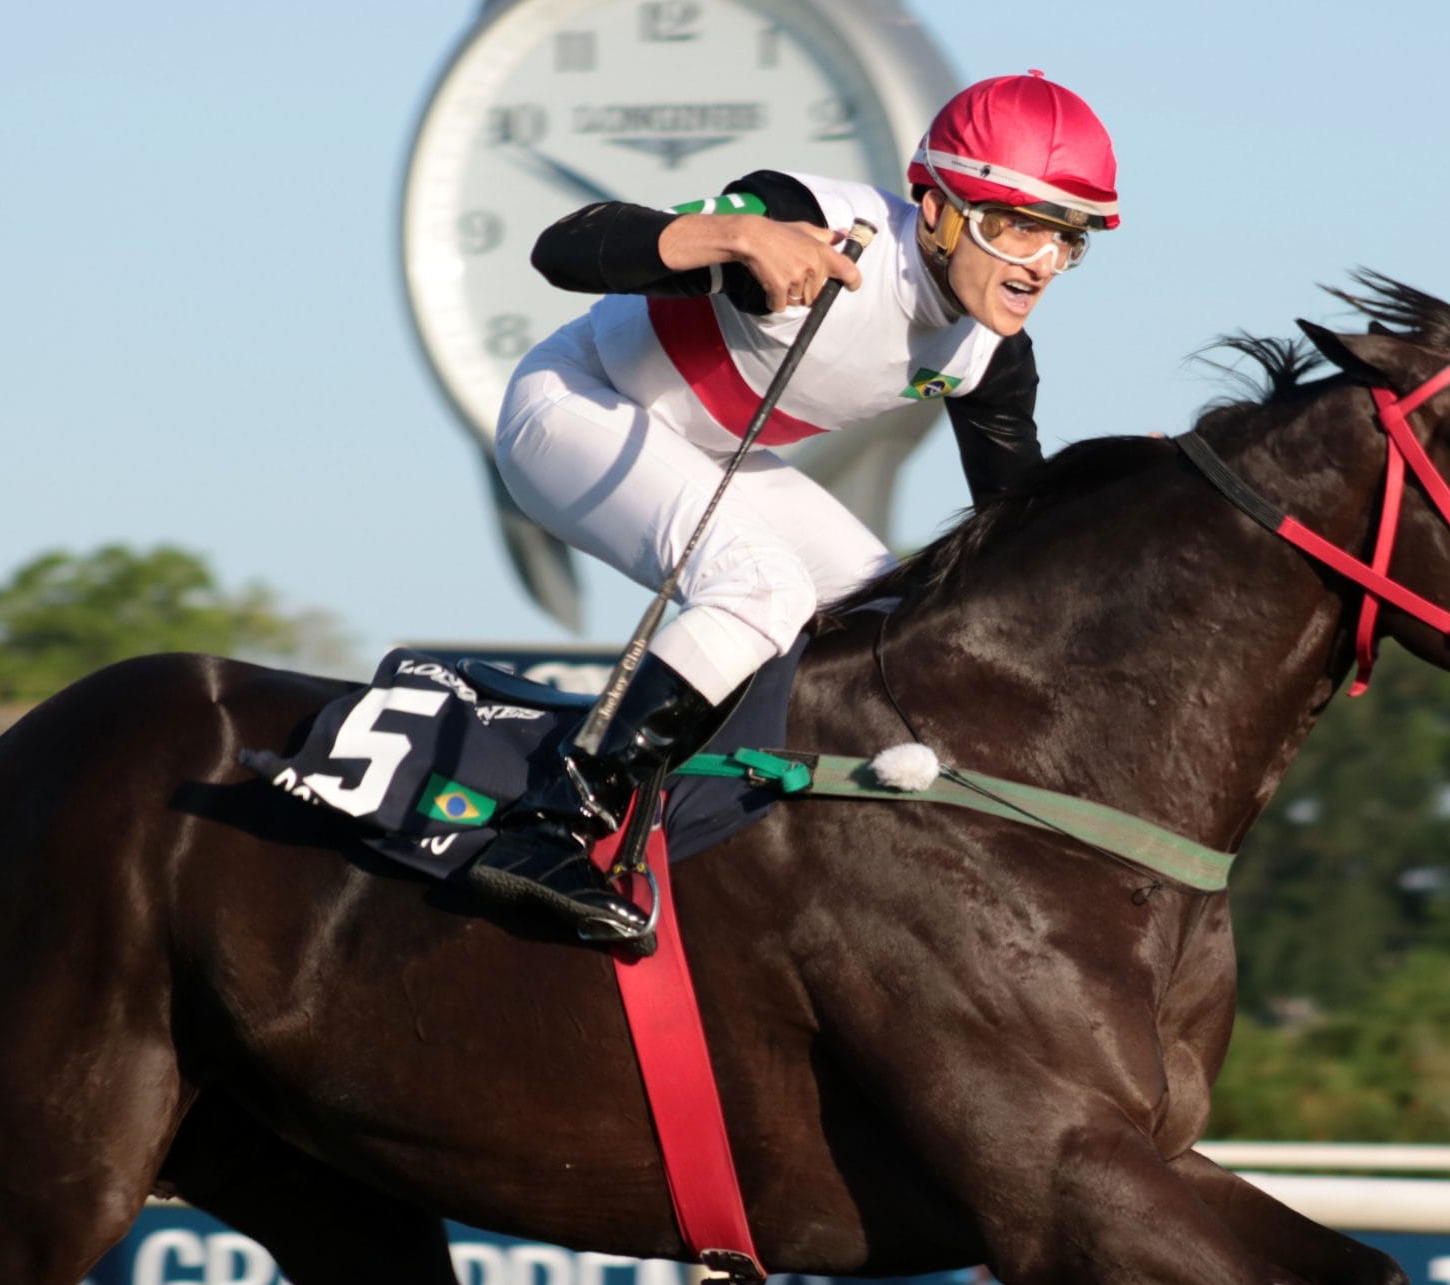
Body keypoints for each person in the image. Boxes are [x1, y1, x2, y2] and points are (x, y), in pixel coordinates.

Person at [470, 71, 1121, 942]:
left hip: (700, 453)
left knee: (892, 612)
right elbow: (558, 249)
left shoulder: (992, 359)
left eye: (1066, 240)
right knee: (764, 586)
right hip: (575, 405)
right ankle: (549, 823)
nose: (1038, 264)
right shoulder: (811, 217)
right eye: (1014, 226)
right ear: (933, 209)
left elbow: (1017, 542)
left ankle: (738, 826)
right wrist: (734, 237)